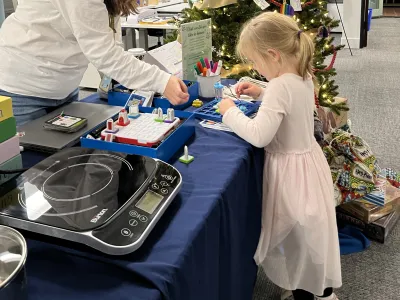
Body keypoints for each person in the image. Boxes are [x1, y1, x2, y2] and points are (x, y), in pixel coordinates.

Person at [219, 12, 342, 300]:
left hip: (290, 174)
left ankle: (308, 293)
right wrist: (261, 92)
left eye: (256, 62)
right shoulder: (301, 74)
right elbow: (291, 105)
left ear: (273, 55)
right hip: (309, 165)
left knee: (296, 236)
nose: (256, 69)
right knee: (310, 236)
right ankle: (319, 291)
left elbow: (259, 135)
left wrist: (230, 112)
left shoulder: (278, 86)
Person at [0, 0, 189, 125]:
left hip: (63, 87)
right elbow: (103, 53)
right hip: (22, 89)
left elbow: (110, 42)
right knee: (29, 174)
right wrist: (161, 81)